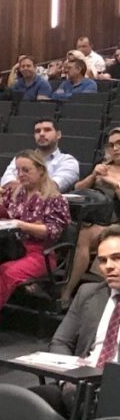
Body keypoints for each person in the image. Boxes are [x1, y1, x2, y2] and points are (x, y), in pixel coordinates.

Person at [0, 151, 70, 332]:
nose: (21, 175)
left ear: (41, 171)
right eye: (18, 170)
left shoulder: (54, 199)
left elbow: (52, 230)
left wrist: (22, 225)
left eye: (26, 170)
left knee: (4, 273)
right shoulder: (14, 193)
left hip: (40, 252)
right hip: (11, 247)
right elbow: (8, 218)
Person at [34, 226, 120, 419]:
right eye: (103, 260)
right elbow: (60, 342)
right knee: (19, 404)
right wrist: (70, 380)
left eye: (117, 258)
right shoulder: (88, 293)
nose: (109, 266)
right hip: (81, 383)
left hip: (115, 392)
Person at [67, 127, 120, 299]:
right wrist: (93, 176)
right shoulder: (104, 166)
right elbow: (77, 190)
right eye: (111, 145)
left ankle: (66, 293)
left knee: (84, 235)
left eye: (119, 143)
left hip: (115, 221)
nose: (115, 148)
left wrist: (112, 182)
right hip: (93, 217)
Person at [0, 118, 79, 193]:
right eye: (37, 131)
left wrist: (20, 186)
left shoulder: (68, 161)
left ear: (58, 135)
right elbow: (6, 184)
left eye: (47, 130)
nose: (41, 134)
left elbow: (52, 187)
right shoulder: (21, 158)